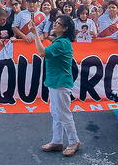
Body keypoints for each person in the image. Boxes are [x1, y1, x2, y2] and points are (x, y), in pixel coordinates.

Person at [29, 16, 81, 157]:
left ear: (64, 28)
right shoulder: (60, 41)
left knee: (63, 114)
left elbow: (41, 52)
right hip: (55, 81)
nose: (55, 24)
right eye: (56, 22)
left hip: (60, 82)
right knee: (56, 113)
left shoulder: (62, 43)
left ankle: (73, 141)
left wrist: (35, 34)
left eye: (58, 23)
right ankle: (57, 141)